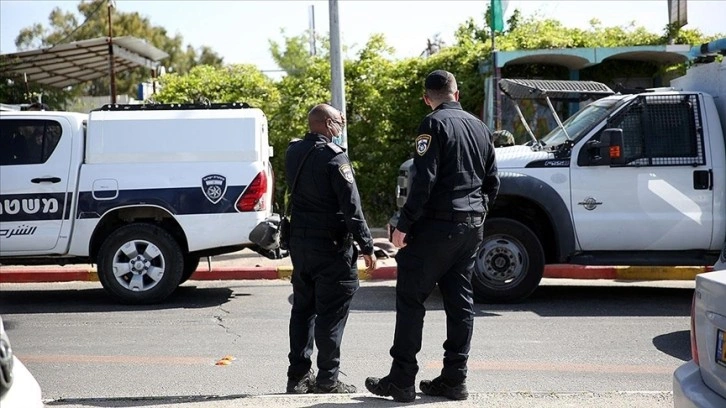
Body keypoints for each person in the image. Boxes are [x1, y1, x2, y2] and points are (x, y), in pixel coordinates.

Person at [365, 70, 499, 403]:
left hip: (437, 227)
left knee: (411, 299)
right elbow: (493, 181)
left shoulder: (433, 124)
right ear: (458, 93)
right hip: (471, 227)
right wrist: (476, 213)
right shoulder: (481, 128)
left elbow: (423, 179)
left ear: (428, 98)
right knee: (460, 303)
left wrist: (405, 224)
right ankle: (454, 379)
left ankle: (402, 380)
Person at [285, 103, 377, 394]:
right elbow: (352, 208)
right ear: (327, 125)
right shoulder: (336, 159)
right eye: (339, 122)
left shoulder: (294, 152)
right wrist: (367, 245)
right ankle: (327, 379)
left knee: (302, 311)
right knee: (331, 313)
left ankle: (298, 378)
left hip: (300, 245)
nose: (342, 127)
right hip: (331, 247)